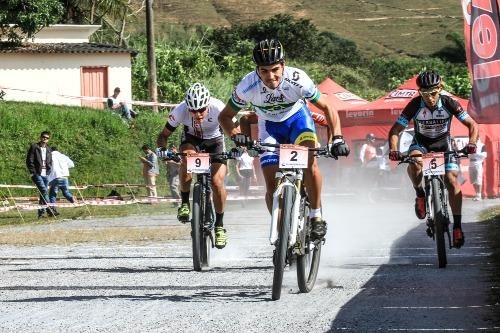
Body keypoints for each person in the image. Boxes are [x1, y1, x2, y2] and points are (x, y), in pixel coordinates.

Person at [218, 39, 350, 241]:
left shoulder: (298, 78)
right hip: (269, 127)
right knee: (271, 186)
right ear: (257, 70)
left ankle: (316, 216)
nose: (270, 76)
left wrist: (338, 139)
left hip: (298, 121)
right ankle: (281, 234)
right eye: (264, 71)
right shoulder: (247, 85)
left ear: (283, 65)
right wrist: (236, 136)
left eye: (275, 69)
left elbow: (328, 108)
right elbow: (225, 117)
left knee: (309, 163)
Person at [388, 70, 479, 248]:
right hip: (421, 144)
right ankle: (420, 194)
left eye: (433, 93)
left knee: (451, 179)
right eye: (424, 93)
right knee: (415, 162)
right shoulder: (415, 105)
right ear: (419, 92)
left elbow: (472, 124)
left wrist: (472, 143)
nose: (429, 97)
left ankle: (458, 226)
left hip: (444, 144)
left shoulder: (448, 102)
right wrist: (393, 149)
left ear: (440, 89)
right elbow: (395, 130)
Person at [157, 82, 229, 249]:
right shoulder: (180, 110)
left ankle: (219, 225)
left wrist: (240, 148)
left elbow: (235, 129)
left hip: (216, 141)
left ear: (208, 104)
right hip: (192, 140)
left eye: (201, 110)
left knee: (217, 183)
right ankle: (184, 203)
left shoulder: (218, 107)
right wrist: (161, 148)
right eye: (193, 110)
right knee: (187, 158)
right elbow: (164, 135)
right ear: (187, 107)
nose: (197, 114)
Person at [26, 131, 56, 218]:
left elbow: (50, 161)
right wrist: (33, 172)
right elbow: (29, 160)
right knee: (44, 191)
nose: (44, 139)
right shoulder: (34, 147)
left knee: (43, 194)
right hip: (37, 174)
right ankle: (51, 209)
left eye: (47, 138)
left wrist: (49, 170)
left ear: (48, 139)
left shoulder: (49, 149)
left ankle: (41, 214)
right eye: (43, 137)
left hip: (46, 174)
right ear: (40, 137)